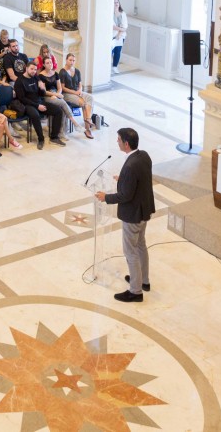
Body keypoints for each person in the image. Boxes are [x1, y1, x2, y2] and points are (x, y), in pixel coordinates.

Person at [95, 128, 155, 302]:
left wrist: (105, 197)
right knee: (141, 245)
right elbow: (138, 180)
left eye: (119, 139)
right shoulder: (143, 156)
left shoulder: (129, 166)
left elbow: (125, 196)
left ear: (126, 144)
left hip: (133, 214)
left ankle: (135, 291)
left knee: (131, 251)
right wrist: (122, 179)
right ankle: (144, 280)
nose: (117, 142)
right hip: (144, 210)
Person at [12, 62, 62, 150]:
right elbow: (22, 99)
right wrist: (37, 106)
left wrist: (42, 89)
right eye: (31, 69)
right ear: (26, 68)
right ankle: (41, 139)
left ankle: (54, 137)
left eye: (35, 69)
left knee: (58, 110)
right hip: (27, 105)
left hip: (39, 102)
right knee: (35, 115)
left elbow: (40, 94)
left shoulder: (35, 77)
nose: (34, 71)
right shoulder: (19, 81)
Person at [60, 53, 95, 139]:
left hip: (77, 91)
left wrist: (79, 90)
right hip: (67, 94)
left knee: (90, 98)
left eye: (73, 60)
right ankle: (87, 129)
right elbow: (63, 88)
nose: (72, 62)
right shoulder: (62, 72)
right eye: (70, 60)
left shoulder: (77, 71)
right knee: (83, 103)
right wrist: (74, 92)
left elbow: (80, 84)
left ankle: (88, 119)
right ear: (66, 60)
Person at [112, 0, 128, 73]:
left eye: (117, 2)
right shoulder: (110, 13)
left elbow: (125, 26)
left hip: (121, 36)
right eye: (114, 2)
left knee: (118, 51)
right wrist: (121, 29)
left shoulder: (123, 13)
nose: (116, 4)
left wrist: (119, 33)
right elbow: (112, 27)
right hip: (112, 36)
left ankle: (115, 66)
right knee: (110, 51)